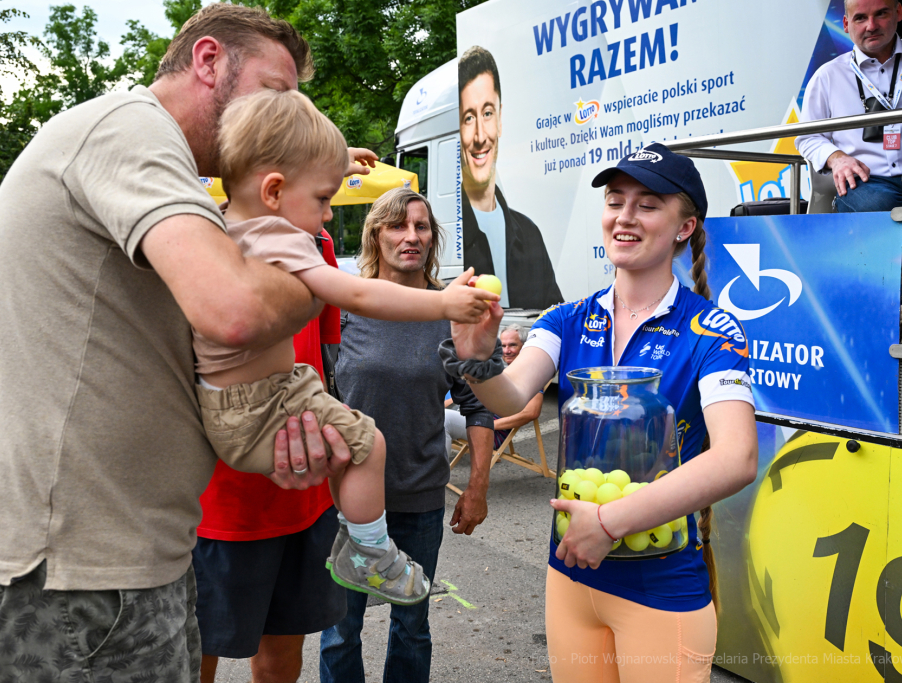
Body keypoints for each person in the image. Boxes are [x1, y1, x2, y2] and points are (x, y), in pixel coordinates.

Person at [0, 6, 359, 681]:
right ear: (209, 60)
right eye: (276, 93)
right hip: (76, 569)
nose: (288, 118)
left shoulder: (168, 173)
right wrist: (319, 270)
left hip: (109, 558)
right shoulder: (131, 130)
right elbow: (236, 310)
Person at [444, 143, 759, 682]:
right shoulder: (566, 318)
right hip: (570, 572)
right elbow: (510, 399)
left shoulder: (713, 329)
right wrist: (476, 355)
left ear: (686, 227)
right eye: (615, 200)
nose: (625, 216)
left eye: (648, 204)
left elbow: (737, 459)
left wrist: (610, 523)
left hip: (660, 588)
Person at [192, 90, 497, 604]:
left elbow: (246, 162)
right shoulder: (282, 237)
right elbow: (358, 291)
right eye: (321, 199)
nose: (329, 215)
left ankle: (363, 545)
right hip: (262, 402)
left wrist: (331, 160)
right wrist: (443, 304)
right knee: (367, 444)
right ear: (274, 191)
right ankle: (369, 551)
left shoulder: (222, 220)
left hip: (249, 397)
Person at [320, 187, 495, 683]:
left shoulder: (449, 309)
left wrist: (477, 487)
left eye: (421, 227)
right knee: (339, 630)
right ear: (376, 234)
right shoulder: (344, 306)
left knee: (412, 626)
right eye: (397, 225)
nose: (411, 236)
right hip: (345, 502)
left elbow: (478, 405)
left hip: (419, 498)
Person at [194, 225, 347, 683]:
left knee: (282, 655)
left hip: (303, 494)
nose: (325, 207)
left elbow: (327, 348)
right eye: (320, 192)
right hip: (216, 502)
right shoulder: (201, 234)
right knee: (196, 653)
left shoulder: (318, 241)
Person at [796, 0, 902, 212]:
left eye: (881, 14)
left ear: (898, 12)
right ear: (846, 24)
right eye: (860, 18)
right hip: (867, 181)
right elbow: (807, 137)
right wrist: (837, 158)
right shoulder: (827, 76)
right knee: (880, 206)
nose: (871, 26)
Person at [459, 45, 563, 310]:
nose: (481, 136)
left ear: (500, 119)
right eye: (468, 118)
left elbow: (555, 314)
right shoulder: (446, 237)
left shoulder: (530, 235)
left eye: (487, 113)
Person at [444, 323, 543, 451]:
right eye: (503, 345)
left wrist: (489, 424)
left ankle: (440, 471)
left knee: (444, 420)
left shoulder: (529, 374)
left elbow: (531, 412)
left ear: (524, 347)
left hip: (490, 430)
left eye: (512, 345)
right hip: (472, 416)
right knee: (431, 417)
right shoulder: (501, 370)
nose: (506, 351)